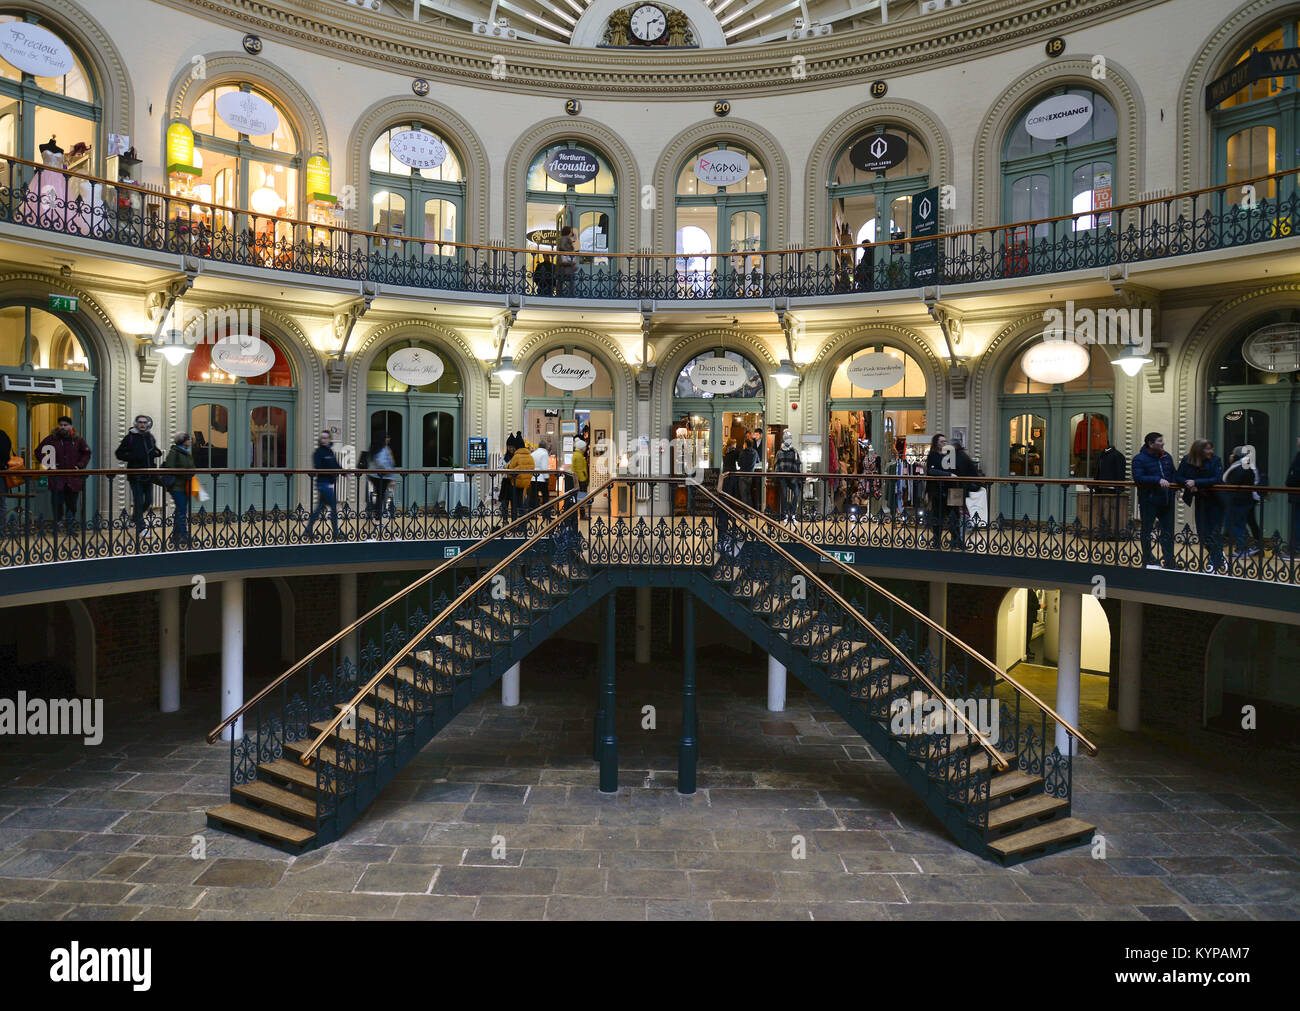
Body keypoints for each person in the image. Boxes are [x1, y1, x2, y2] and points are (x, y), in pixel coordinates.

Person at [1132, 431, 1179, 569]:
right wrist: (1157, 480)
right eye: (1159, 441)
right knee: (1147, 530)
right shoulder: (1139, 459)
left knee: (1168, 531)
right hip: (1149, 499)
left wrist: (1176, 487)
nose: (1163, 443)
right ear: (1150, 444)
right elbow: (1138, 477)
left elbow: (1173, 473)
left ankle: (1169, 560)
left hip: (1166, 499)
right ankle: (1148, 559)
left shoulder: (1167, 457)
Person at [1176, 439, 1225, 572]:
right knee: (1202, 533)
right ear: (1199, 450)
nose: (1211, 451)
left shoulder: (1216, 460)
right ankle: (1218, 556)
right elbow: (1178, 476)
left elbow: (1217, 479)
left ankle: (1216, 560)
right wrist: (1188, 483)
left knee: (1214, 531)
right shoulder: (1188, 459)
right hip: (1200, 500)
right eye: (1208, 449)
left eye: (1211, 448)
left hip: (1216, 500)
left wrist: (1196, 482)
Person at [36, 415, 91, 528]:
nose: (63, 427)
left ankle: (70, 524)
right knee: (57, 503)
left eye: (65, 425)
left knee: (72, 504)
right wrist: (49, 464)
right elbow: (38, 451)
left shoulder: (78, 439)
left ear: (70, 426)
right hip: (57, 478)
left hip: (73, 478)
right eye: (61, 425)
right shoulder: (51, 439)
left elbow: (87, 453)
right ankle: (58, 524)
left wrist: (80, 466)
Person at [116, 415, 162, 533]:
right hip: (135, 475)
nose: (142, 424)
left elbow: (154, 450)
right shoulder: (129, 437)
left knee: (148, 501)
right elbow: (119, 453)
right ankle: (141, 527)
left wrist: (157, 453)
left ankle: (135, 517)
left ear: (148, 424)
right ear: (136, 423)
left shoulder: (150, 437)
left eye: (145, 422)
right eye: (140, 422)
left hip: (148, 474)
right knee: (138, 500)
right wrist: (134, 457)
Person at [925, 433, 964, 550]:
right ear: (936, 443)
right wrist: (948, 474)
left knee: (954, 516)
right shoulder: (932, 455)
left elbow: (954, 468)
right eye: (942, 441)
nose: (944, 443)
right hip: (938, 490)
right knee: (938, 517)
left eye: (945, 441)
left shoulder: (949, 455)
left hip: (952, 489)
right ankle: (936, 541)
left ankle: (957, 542)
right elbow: (931, 471)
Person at [1222, 445, 1258, 560]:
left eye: (1233, 454)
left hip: (1238, 500)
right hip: (1245, 499)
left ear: (1236, 455)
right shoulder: (1247, 465)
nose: (1230, 456)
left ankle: (1243, 548)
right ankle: (1246, 546)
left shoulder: (1240, 467)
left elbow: (1233, 482)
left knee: (1235, 524)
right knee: (1240, 523)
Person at [307, 429, 342, 540]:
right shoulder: (318, 452)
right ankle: (336, 533)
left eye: (326, 438)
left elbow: (336, 465)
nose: (324, 440)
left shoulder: (330, 452)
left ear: (330, 439)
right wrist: (331, 471)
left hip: (328, 483)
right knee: (334, 507)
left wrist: (345, 473)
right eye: (322, 438)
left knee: (319, 509)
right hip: (324, 484)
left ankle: (307, 531)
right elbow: (318, 467)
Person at [162, 432, 193, 546]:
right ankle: (184, 536)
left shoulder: (186, 452)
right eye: (189, 439)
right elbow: (170, 468)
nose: (190, 441)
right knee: (181, 511)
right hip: (177, 486)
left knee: (180, 511)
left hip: (185, 485)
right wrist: (185, 473)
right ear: (183, 441)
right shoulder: (174, 452)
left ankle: (176, 536)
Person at [773, 430, 802, 525]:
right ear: (784, 439)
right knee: (784, 495)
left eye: (789, 438)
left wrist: (798, 477)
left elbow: (797, 465)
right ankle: (786, 513)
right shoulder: (779, 452)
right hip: (783, 478)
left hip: (793, 477)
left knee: (796, 493)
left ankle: (793, 513)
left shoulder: (795, 452)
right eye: (787, 438)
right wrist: (777, 477)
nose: (788, 440)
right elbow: (777, 465)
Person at [369, 435, 397, 526]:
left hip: (375, 476)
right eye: (387, 437)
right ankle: (377, 518)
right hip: (382, 476)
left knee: (379, 497)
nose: (389, 439)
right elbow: (382, 462)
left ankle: (376, 516)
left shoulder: (377, 447)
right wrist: (390, 474)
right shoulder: (383, 448)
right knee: (381, 498)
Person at [507, 434, 534, 528]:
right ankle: (523, 525)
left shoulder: (516, 457)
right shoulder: (530, 456)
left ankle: (514, 525)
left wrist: (506, 468)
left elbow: (510, 471)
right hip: (525, 484)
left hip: (515, 483)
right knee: (522, 504)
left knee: (514, 506)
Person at [529, 439, 551, 514]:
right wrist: (546, 477)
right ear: (545, 446)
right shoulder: (544, 454)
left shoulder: (533, 453)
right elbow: (544, 467)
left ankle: (532, 513)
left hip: (533, 477)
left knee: (533, 496)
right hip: (541, 478)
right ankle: (546, 513)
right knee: (545, 496)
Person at [1287, 437, 1300, 560]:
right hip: (1296, 496)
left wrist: (1290, 480)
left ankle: (1295, 550)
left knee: (1297, 523)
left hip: (1297, 496)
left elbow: (1295, 474)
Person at [557, 225, 578, 295]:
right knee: (568, 279)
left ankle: (560, 294)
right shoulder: (565, 239)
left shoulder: (563, 239)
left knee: (561, 280)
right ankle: (570, 294)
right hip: (565, 266)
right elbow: (563, 248)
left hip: (563, 265)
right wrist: (571, 252)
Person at [571, 437, 589, 519]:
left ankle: (581, 514)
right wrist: (584, 479)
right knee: (582, 498)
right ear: (582, 447)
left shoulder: (577, 455)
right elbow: (579, 469)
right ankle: (582, 515)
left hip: (579, 479)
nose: (586, 448)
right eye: (585, 447)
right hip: (580, 480)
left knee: (580, 498)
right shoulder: (579, 456)